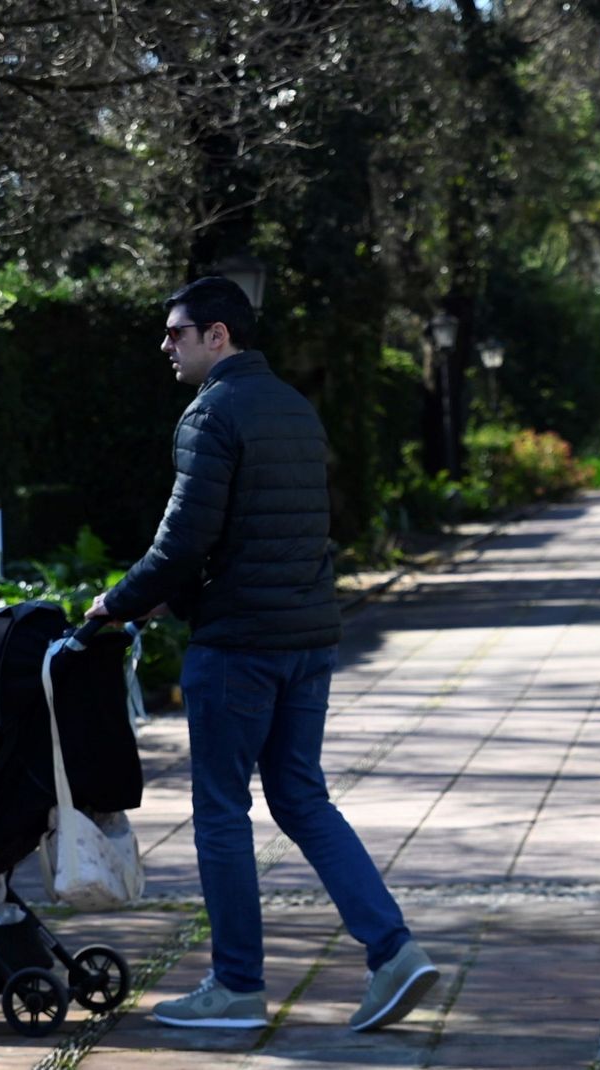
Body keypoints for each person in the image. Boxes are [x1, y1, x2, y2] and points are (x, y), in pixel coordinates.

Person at [87, 277, 440, 1032]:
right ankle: (394, 949)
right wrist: (173, 592)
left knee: (220, 810)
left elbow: (185, 539)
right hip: (308, 638)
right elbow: (268, 530)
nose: (165, 345)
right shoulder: (294, 409)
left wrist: (115, 601)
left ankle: (237, 986)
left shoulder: (211, 411)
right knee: (302, 798)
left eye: (176, 332)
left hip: (239, 647)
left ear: (219, 335)